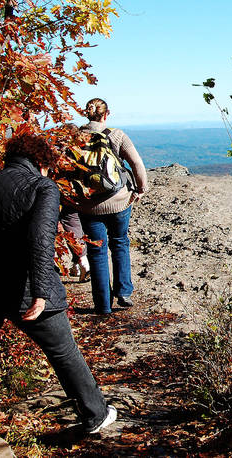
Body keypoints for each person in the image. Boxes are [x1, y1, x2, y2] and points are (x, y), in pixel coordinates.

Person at [0, 132, 117, 434]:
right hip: (23, 287)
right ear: (40, 161)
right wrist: (41, 291)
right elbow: (40, 240)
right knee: (63, 350)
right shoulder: (42, 186)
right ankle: (95, 414)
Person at [77, 98, 148, 315]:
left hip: (88, 204)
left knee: (96, 252)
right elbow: (136, 163)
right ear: (106, 114)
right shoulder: (116, 135)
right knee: (119, 243)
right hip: (118, 200)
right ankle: (124, 292)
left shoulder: (74, 137)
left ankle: (102, 305)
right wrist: (140, 188)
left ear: (87, 114)